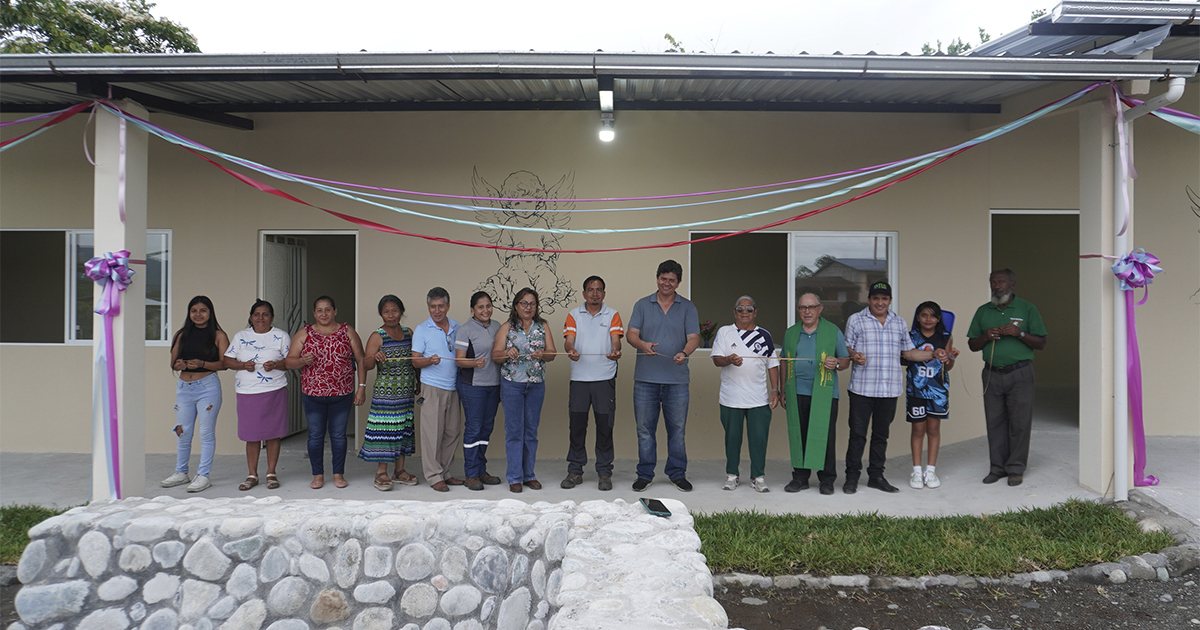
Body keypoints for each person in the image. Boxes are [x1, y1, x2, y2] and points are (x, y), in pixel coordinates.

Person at [843, 282, 933, 494]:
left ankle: (876, 476)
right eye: (876, 298)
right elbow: (846, 346)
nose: (880, 302)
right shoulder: (856, 320)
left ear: (890, 300)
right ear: (869, 299)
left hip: (889, 390)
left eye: (884, 298)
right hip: (861, 389)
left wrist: (934, 354)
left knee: (881, 435)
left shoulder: (899, 323)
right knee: (857, 435)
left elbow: (909, 353)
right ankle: (851, 477)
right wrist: (853, 354)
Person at [967, 269, 1047, 487]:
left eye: (1001, 281)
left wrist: (1019, 333)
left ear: (1013, 284)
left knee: (1020, 422)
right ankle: (997, 468)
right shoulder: (983, 311)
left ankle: (1015, 468)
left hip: (1020, 372)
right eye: (993, 282)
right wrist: (985, 336)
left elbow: (1041, 343)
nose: (996, 286)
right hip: (992, 373)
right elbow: (972, 345)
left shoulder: (1027, 308)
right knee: (995, 422)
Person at [626, 259, 701, 492]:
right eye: (663, 278)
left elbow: (694, 338)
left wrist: (684, 352)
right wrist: (642, 344)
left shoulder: (688, 307)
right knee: (645, 430)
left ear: (678, 283)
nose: (666, 283)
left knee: (677, 430)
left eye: (671, 280)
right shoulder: (642, 304)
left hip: (677, 381)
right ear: (657, 278)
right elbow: (631, 334)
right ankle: (645, 474)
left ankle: (677, 474)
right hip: (645, 380)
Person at [285, 296, 367, 490]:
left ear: (335, 311)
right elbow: (289, 362)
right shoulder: (304, 333)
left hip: (342, 393)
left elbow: (361, 360)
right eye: (319, 310)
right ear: (314, 313)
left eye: (327, 309)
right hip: (313, 394)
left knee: (338, 436)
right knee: (315, 436)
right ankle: (318, 475)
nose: (324, 314)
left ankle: (338, 474)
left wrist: (361, 387)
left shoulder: (347, 332)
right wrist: (303, 361)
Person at [780, 293, 850, 495]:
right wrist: (783, 389)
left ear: (820, 309)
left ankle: (827, 480)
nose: (807, 311)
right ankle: (800, 477)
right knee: (798, 434)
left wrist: (836, 362)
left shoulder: (832, 331)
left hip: (825, 392)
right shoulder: (792, 333)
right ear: (798, 310)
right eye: (803, 307)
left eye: (811, 307)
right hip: (797, 391)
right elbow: (784, 361)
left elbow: (845, 360)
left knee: (825, 436)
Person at [711, 295, 780, 492]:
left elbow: (772, 364)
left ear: (755, 312)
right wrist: (729, 360)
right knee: (732, 438)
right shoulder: (725, 332)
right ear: (734, 312)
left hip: (759, 398)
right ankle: (732, 475)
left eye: (749, 309)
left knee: (759, 438)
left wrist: (774, 390)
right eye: (740, 308)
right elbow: (716, 359)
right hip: (731, 398)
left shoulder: (765, 335)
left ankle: (758, 477)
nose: (744, 312)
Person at [161, 295, 229, 493]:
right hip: (184, 388)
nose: (198, 314)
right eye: (194, 311)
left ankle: (203, 475)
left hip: (207, 387)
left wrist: (202, 364)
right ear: (189, 313)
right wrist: (179, 365)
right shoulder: (181, 334)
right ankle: (181, 472)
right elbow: (172, 362)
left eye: (203, 310)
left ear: (210, 312)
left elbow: (225, 364)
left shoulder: (218, 335)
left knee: (206, 433)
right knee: (182, 431)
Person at [561, 276, 623, 491]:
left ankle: (604, 472)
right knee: (577, 427)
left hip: (604, 379)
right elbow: (569, 340)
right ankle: (575, 471)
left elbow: (616, 339)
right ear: (584, 293)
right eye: (590, 289)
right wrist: (570, 350)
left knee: (605, 428)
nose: (595, 293)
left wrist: (616, 350)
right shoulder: (573, 315)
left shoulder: (613, 315)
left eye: (599, 290)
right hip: (579, 380)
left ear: (604, 293)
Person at [493, 287, 557, 492]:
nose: (528, 307)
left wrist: (543, 354)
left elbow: (553, 354)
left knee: (531, 431)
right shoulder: (507, 327)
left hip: (536, 384)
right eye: (524, 303)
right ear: (516, 305)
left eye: (532, 304)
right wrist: (506, 352)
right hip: (512, 384)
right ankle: (514, 477)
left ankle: (529, 474)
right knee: (514, 432)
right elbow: (495, 356)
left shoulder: (543, 326)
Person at [223, 299, 289, 491]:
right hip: (247, 391)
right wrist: (243, 365)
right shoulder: (241, 336)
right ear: (251, 317)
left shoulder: (281, 336)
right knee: (251, 435)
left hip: (273, 391)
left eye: (265, 314)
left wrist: (275, 364)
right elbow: (227, 360)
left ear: (272, 317)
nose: (260, 318)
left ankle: (271, 473)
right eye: (256, 314)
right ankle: (252, 474)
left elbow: (291, 361)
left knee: (273, 433)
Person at [358, 295, 420, 491]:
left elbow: (415, 360)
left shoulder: (408, 333)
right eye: (386, 311)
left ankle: (399, 471)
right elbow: (365, 364)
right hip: (386, 394)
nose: (391, 315)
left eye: (394, 311)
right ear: (381, 314)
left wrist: (418, 381)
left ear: (401, 312)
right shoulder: (377, 336)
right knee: (385, 432)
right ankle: (381, 472)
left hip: (406, 391)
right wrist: (374, 357)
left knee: (403, 431)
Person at [411, 287, 464, 492]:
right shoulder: (422, 329)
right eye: (433, 306)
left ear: (448, 306)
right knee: (432, 434)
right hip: (432, 387)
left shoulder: (457, 327)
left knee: (452, 432)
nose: (437, 310)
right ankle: (434, 476)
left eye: (441, 306)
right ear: (428, 307)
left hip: (453, 386)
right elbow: (415, 361)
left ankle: (446, 472)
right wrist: (428, 360)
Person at [905, 301, 959, 490]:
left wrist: (950, 357)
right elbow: (906, 358)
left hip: (938, 391)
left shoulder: (945, 336)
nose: (928, 319)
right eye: (924, 315)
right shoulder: (910, 336)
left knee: (934, 429)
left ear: (938, 319)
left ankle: (931, 470)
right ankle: (917, 471)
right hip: (916, 390)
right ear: (918, 317)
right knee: (918, 430)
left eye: (933, 316)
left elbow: (948, 366)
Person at [454, 291, 504, 491]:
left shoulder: (498, 327)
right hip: (472, 386)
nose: (485, 310)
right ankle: (471, 474)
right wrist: (474, 362)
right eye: (481, 307)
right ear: (473, 309)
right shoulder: (465, 330)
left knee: (486, 429)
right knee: (474, 429)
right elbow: (459, 360)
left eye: (488, 306)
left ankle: (482, 470)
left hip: (494, 385)